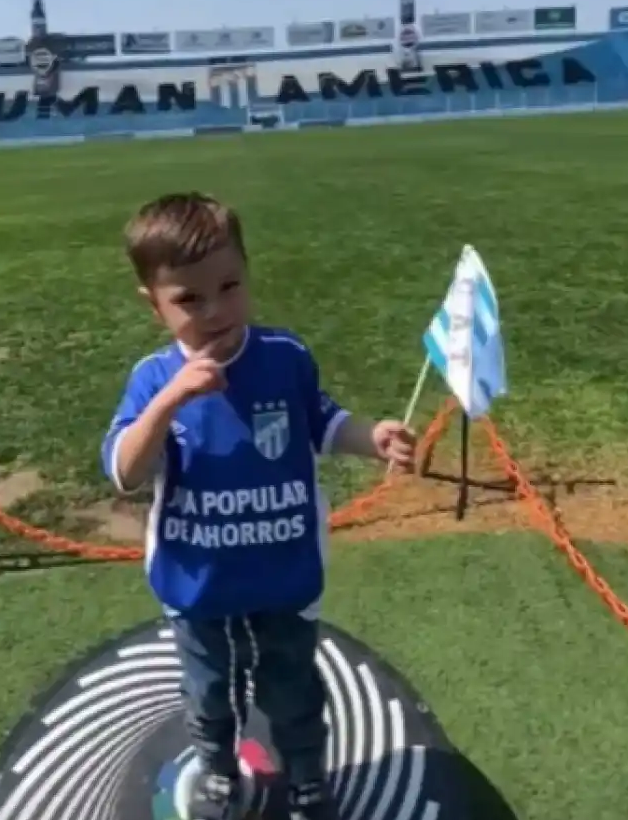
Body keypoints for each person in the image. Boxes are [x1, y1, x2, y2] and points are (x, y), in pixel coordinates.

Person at [101, 192, 416, 820]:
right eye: (189, 299)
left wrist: (370, 437)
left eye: (230, 285)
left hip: (285, 577)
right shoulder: (151, 377)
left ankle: (306, 777)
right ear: (153, 302)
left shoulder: (284, 356)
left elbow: (323, 422)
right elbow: (125, 473)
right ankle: (217, 771)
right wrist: (169, 402)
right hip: (199, 587)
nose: (215, 310)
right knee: (209, 693)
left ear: (248, 272)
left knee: (294, 690)